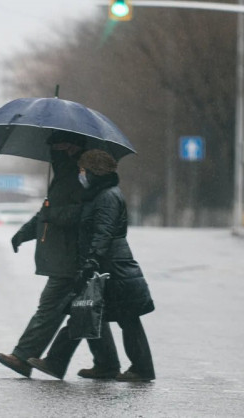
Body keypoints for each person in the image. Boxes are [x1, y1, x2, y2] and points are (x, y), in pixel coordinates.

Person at [0, 132, 120, 379]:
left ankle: (22, 357)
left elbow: (82, 214)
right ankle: (107, 363)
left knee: (50, 307)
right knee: (86, 308)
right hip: (64, 253)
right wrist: (24, 232)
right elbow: (47, 211)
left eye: (58, 143)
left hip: (71, 254)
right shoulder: (63, 174)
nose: (52, 148)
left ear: (72, 146)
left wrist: (53, 216)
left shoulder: (81, 176)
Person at [27, 149, 156, 382]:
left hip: (113, 268)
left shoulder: (107, 196)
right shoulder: (99, 195)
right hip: (110, 264)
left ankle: (140, 369)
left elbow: (103, 231)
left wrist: (92, 260)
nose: (81, 175)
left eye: (83, 170)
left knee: (102, 314)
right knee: (86, 312)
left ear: (93, 172)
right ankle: (103, 366)